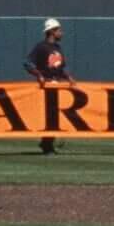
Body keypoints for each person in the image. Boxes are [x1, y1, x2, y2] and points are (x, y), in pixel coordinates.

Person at [26, 18, 73, 155]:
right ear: (52, 31)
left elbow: (61, 67)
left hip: (57, 85)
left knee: (55, 117)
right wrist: (39, 75)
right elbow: (28, 63)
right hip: (46, 86)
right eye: (59, 30)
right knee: (50, 117)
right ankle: (47, 145)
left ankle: (47, 142)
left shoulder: (58, 48)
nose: (61, 33)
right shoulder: (41, 47)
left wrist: (69, 78)